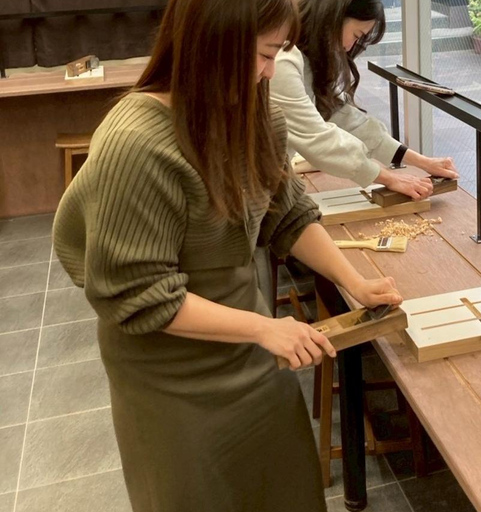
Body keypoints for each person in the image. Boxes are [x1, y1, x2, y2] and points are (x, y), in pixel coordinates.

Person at [52, 0, 402, 510]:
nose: (268, 74)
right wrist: (264, 328)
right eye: (264, 55)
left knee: (285, 486)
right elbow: (139, 295)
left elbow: (288, 213)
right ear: (210, 43)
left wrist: (355, 283)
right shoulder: (135, 142)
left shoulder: (253, 110)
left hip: (247, 346)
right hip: (169, 372)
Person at [270, 0, 459, 201]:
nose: (350, 47)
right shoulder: (282, 60)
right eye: (356, 35)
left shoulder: (303, 53)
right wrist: (389, 178)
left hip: (270, 181)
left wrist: (423, 162)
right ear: (332, 17)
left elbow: (341, 115)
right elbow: (317, 138)